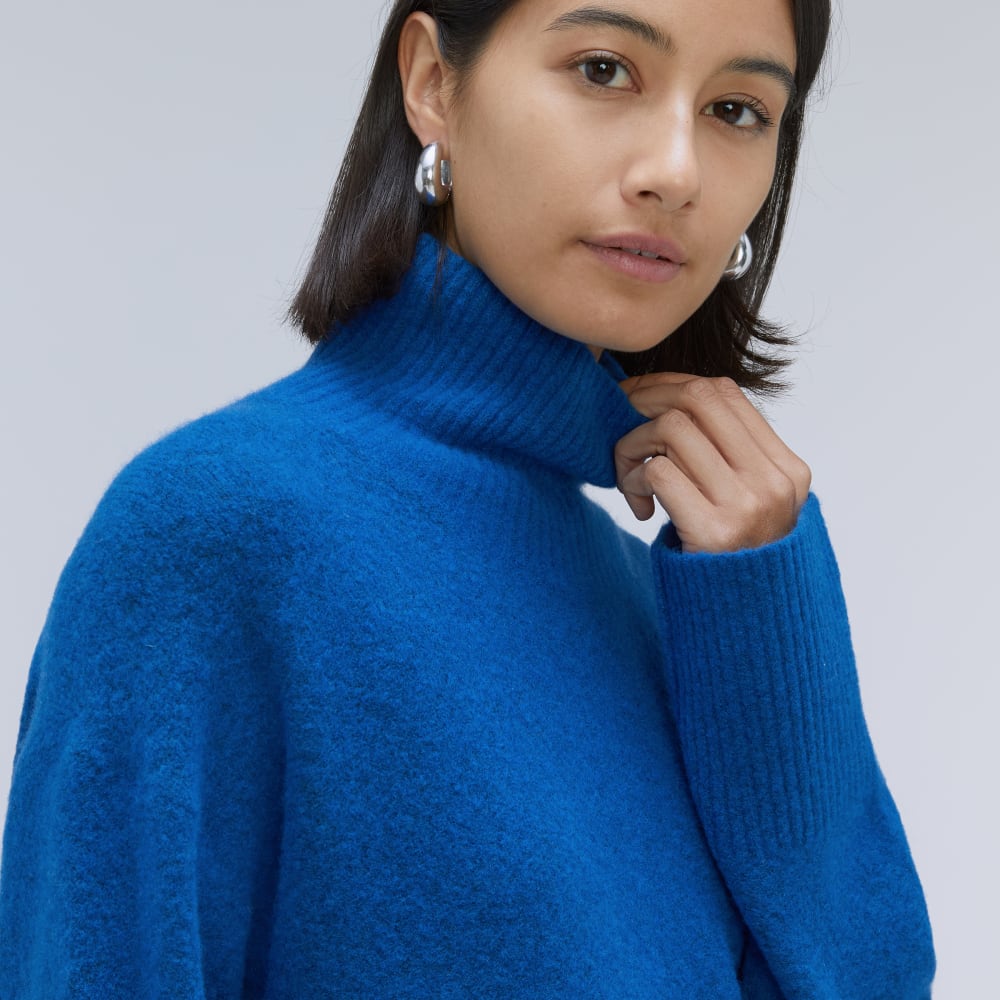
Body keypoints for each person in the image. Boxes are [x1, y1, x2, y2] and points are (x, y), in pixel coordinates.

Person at [0, 0, 935, 996]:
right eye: (604, 70)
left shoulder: (679, 605)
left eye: (738, 110)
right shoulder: (212, 531)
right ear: (433, 83)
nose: (677, 171)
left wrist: (769, 621)